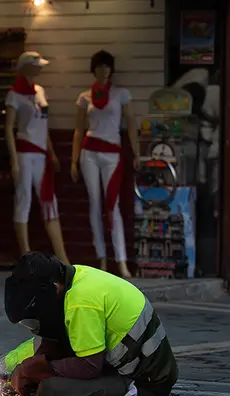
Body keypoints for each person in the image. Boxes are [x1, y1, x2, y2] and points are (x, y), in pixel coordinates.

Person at [0, 251, 178, 396]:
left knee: (50, 391)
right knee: (32, 358)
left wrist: (40, 370)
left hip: (145, 385)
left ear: (51, 290)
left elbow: (89, 366)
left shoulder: (81, 303)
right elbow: (48, 347)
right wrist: (24, 370)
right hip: (111, 363)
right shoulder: (70, 281)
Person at [70, 50, 140, 278]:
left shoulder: (121, 94)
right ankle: (101, 259)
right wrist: (73, 161)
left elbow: (130, 124)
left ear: (112, 69)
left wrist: (137, 153)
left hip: (113, 153)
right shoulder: (84, 97)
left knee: (113, 206)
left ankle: (121, 262)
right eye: (99, 66)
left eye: (107, 66)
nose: (103, 70)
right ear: (94, 69)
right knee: (94, 203)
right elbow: (79, 130)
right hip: (89, 152)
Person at [5, 52, 69, 264]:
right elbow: (9, 128)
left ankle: (62, 257)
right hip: (25, 153)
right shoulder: (14, 95)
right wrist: (14, 161)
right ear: (26, 68)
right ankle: (25, 253)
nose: (40, 69)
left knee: (50, 202)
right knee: (24, 201)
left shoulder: (40, 91)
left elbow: (44, 125)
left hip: (41, 155)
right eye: (37, 65)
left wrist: (50, 151)